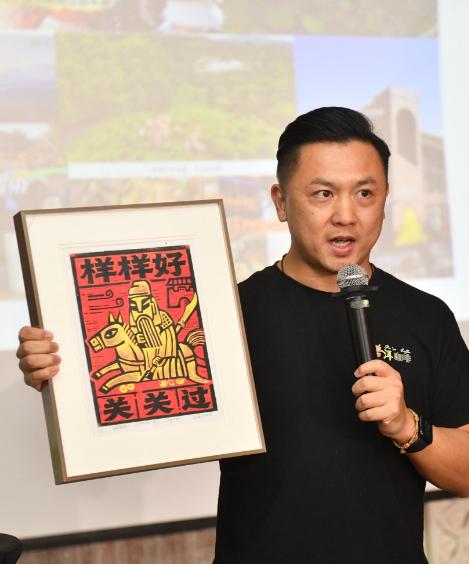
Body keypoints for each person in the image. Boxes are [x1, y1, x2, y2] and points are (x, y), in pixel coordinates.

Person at [16, 107, 469, 563]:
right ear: (280, 202)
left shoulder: (426, 315)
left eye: (365, 193)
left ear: (386, 200)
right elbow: (143, 391)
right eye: (323, 194)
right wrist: (64, 371)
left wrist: (408, 426)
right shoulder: (225, 315)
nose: (346, 215)